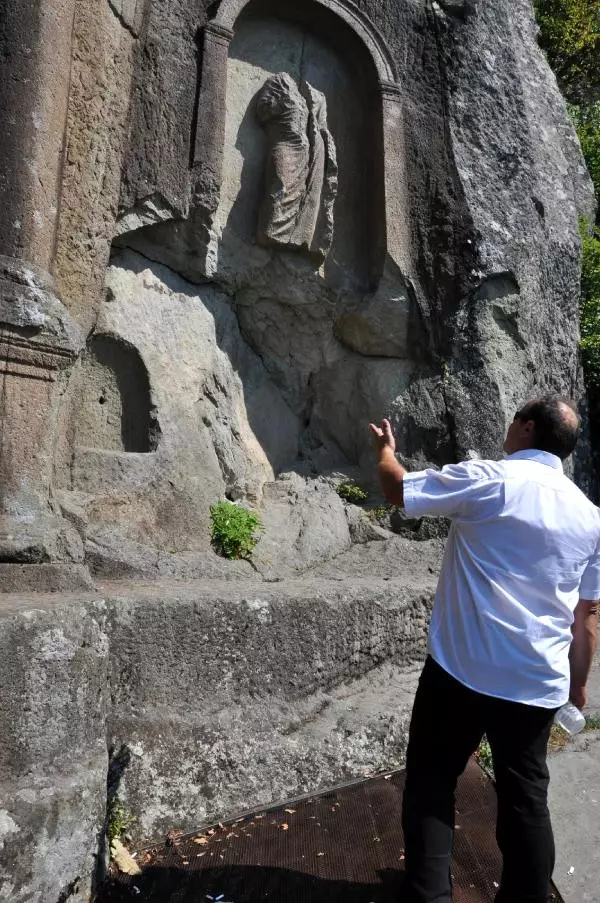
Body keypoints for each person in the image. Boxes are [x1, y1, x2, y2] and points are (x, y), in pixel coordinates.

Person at [370, 396, 600, 903]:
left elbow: (396, 489)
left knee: (432, 779)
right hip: (536, 681)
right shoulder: (591, 518)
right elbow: (587, 616)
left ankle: (429, 894)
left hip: (461, 669)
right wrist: (577, 685)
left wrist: (387, 451)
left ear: (524, 428)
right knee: (525, 802)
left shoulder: (489, 478)